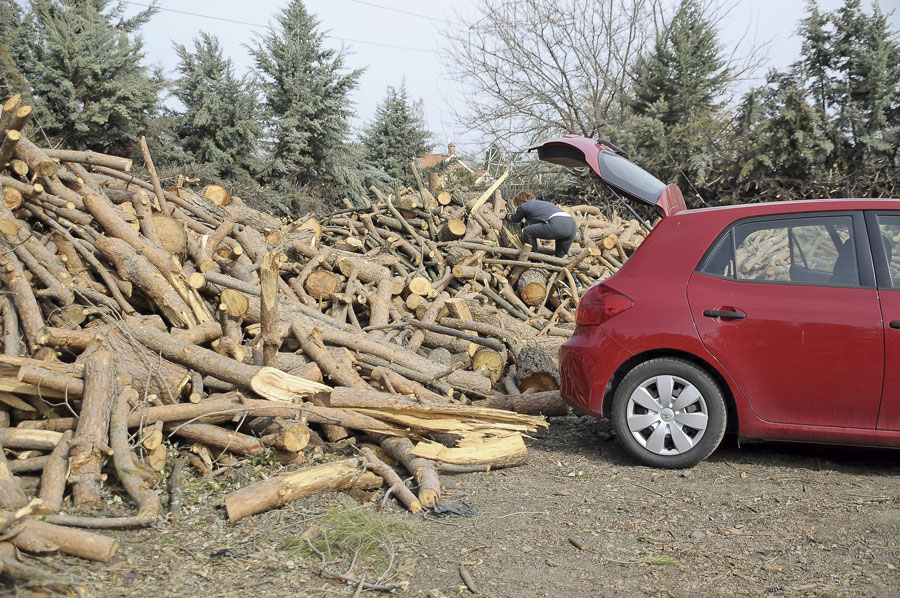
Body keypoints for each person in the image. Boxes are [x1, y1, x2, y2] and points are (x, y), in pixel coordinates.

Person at [504, 192, 576, 258]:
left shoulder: (523, 205)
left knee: (527, 231)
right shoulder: (540, 204)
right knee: (560, 257)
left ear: (520, 201)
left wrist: (507, 216)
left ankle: (535, 259)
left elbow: (516, 218)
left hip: (557, 224)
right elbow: (538, 218)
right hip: (572, 224)